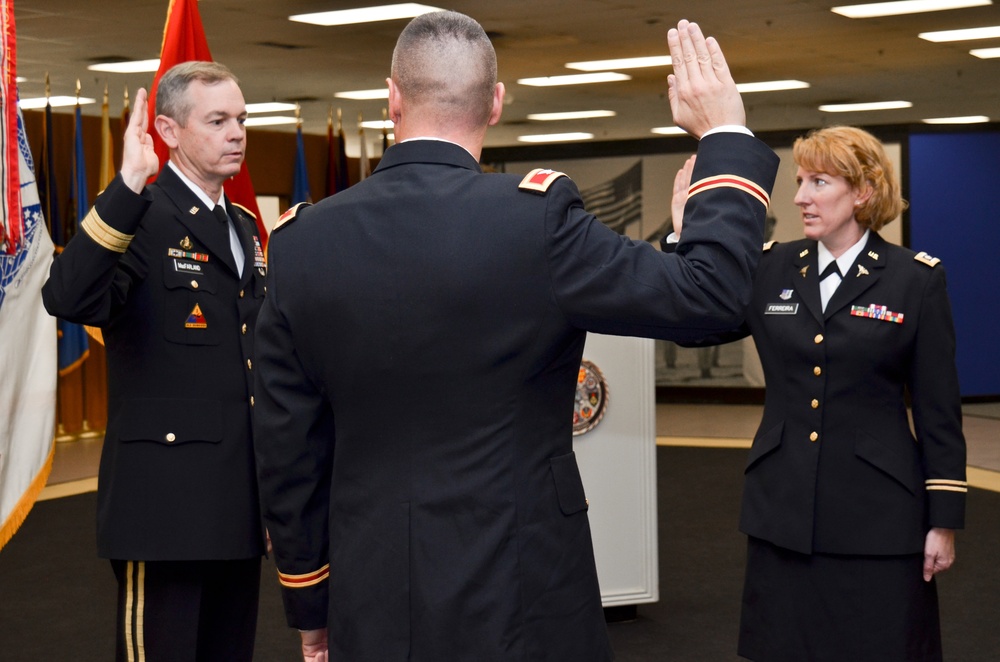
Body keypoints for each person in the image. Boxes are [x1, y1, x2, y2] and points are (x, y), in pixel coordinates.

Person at [254, 12, 779, 661]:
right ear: (496, 102)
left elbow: (287, 451)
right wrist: (723, 133)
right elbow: (711, 298)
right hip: (525, 586)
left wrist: (311, 602)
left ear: (391, 96)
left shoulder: (301, 244)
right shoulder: (537, 221)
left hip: (372, 588)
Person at [669, 126, 967, 661]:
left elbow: (938, 411)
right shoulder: (771, 268)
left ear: (864, 192)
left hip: (879, 520)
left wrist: (942, 519)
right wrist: (683, 240)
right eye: (801, 180)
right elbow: (694, 328)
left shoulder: (914, 281)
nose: (800, 196)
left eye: (819, 182)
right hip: (782, 514)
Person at [42, 62, 265, 662]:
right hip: (164, 507)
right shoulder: (139, 214)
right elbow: (66, 297)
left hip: (237, 502)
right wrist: (127, 186)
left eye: (241, 119)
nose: (236, 133)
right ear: (167, 130)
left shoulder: (243, 227)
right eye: (217, 120)